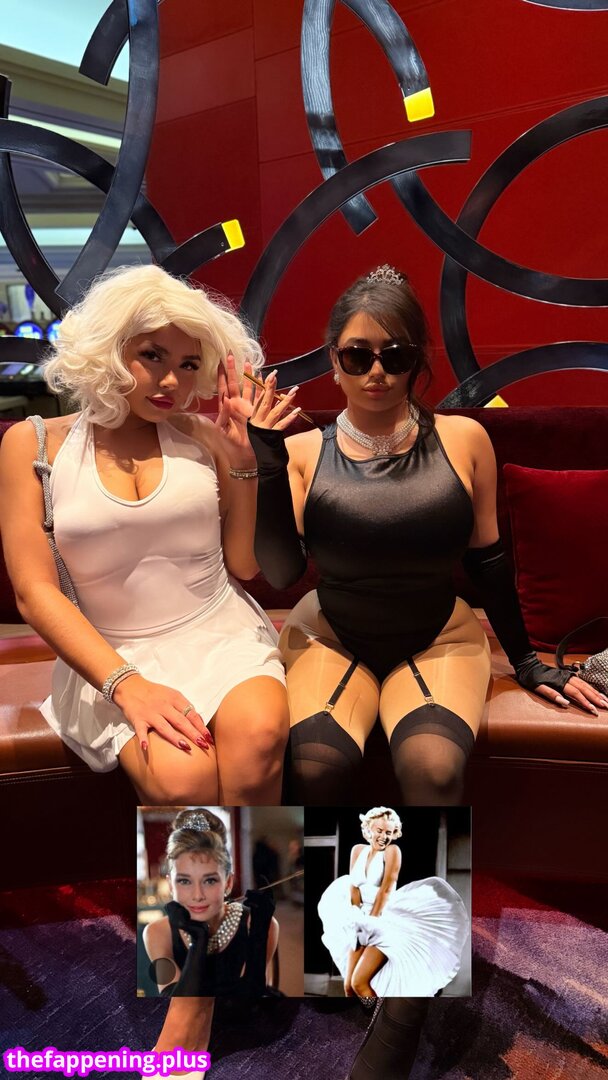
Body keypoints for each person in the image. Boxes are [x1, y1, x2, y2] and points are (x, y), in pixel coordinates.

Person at [247, 264, 606, 805]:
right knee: (315, 770)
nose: (377, 372)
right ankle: (335, 867)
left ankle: (412, 868)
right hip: (330, 635)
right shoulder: (301, 452)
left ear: (416, 361)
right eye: (358, 356)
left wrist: (527, 663)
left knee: (433, 770)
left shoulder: (465, 439)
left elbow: (488, 561)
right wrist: (268, 464)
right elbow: (280, 574)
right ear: (334, 361)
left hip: (438, 636)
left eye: (395, 356)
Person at [0, 264, 289, 805]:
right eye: (152, 355)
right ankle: (196, 867)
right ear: (109, 348)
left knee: (259, 740)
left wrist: (245, 463)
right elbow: (33, 592)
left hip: (220, 633)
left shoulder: (204, 436)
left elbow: (245, 566)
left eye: (188, 364)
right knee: (183, 779)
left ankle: (264, 865)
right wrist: (127, 685)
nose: (172, 381)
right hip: (110, 652)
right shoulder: (32, 445)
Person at [142, 808, 279, 1080]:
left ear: (228, 882)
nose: (197, 895)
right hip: (181, 1040)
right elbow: (176, 1005)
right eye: (184, 881)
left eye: (210, 880)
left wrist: (259, 933)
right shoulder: (156, 933)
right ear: (170, 884)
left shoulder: (258, 924)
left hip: (239, 1035)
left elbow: (252, 999)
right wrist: (198, 942)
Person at [318, 807, 468, 1001]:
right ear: (369, 829)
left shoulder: (392, 851)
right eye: (379, 831)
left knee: (359, 983)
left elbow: (386, 889)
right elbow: (353, 886)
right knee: (348, 988)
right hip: (360, 921)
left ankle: (381, 1019)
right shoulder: (357, 850)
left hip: (382, 921)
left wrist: (370, 922)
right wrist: (356, 916)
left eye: (389, 832)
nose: (383, 837)